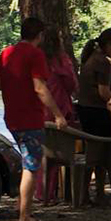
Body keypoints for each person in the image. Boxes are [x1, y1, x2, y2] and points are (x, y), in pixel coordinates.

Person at [0, 17, 68, 221]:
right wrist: (58, 114)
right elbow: (40, 88)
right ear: (40, 35)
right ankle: (25, 216)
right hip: (30, 117)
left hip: (11, 117)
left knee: (28, 160)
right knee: (31, 166)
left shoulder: (7, 52)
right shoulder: (35, 54)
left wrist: (15, 85)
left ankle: (21, 205)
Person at [75, 27, 111, 203]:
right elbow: (104, 92)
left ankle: (99, 193)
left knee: (101, 153)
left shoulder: (91, 58)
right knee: (96, 154)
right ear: (108, 44)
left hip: (86, 110)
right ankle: (85, 195)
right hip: (96, 112)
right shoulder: (102, 63)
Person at [36, 33, 77, 204]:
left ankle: (41, 192)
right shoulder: (61, 60)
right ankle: (49, 193)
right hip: (58, 107)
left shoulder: (36, 59)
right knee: (57, 153)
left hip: (38, 110)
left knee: (41, 153)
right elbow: (71, 83)